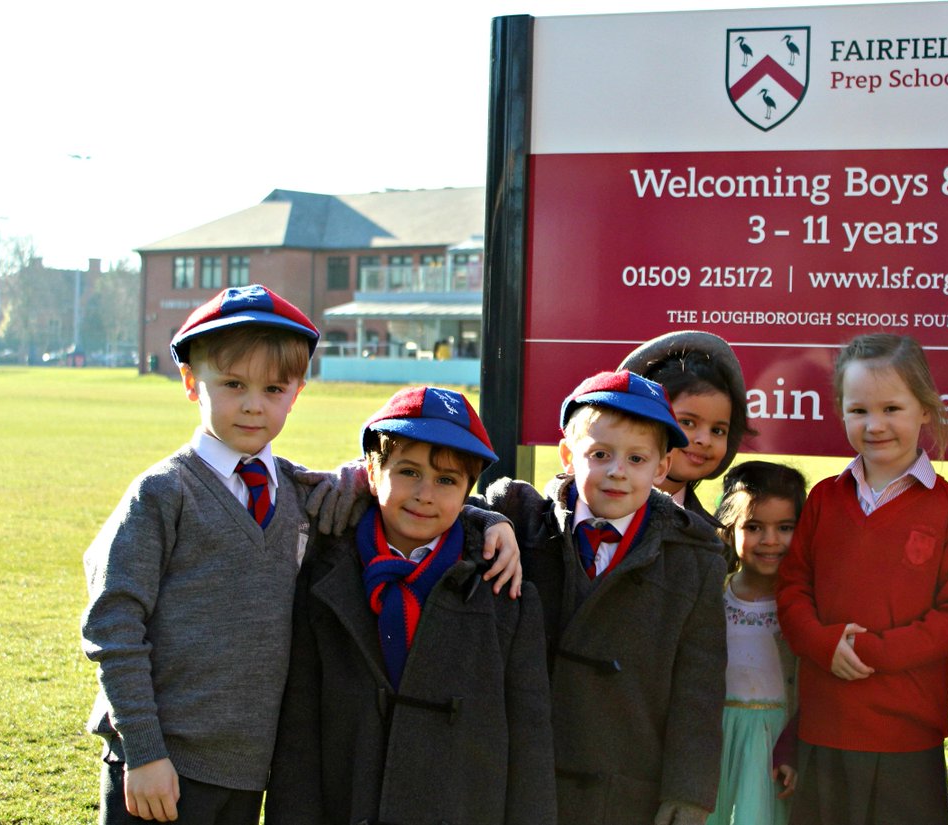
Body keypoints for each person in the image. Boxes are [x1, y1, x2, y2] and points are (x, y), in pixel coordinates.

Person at [81, 285, 520, 825]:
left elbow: (411, 495)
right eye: (233, 384)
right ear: (192, 382)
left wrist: (488, 519)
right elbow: (113, 625)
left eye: (273, 388)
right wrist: (144, 750)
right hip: (158, 766)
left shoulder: (301, 493)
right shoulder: (162, 494)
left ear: (297, 392)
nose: (252, 403)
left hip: (247, 773)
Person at [265, 387, 556, 825]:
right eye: (408, 471)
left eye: (446, 481)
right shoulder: (325, 577)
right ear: (371, 472)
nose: (424, 494)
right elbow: (299, 733)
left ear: (467, 492)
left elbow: (530, 740)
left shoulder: (505, 590)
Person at [482, 369, 728, 825]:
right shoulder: (521, 523)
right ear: (568, 456)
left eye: (637, 459)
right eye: (600, 454)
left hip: (628, 783)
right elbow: (448, 505)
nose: (617, 471)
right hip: (522, 774)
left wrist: (689, 793)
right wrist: (487, 522)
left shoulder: (694, 560)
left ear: (661, 468)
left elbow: (700, 689)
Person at [776, 333, 948, 825]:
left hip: (906, 738)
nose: (875, 425)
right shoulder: (825, 499)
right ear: (841, 411)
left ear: (925, 410)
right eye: (859, 410)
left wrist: (871, 651)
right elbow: (791, 589)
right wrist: (825, 644)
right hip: (825, 730)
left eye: (892, 408)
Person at [706, 461, 807, 825]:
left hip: (775, 744)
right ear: (729, 529)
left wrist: (796, 750)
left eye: (784, 528)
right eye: (753, 527)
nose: (770, 540)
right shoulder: (712, 597)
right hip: (717, 740)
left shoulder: (805, 606)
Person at [619, 331, 753, 533]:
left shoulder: (709, 536)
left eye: (718, 430)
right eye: (688, 422)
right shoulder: (592, 506)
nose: (704, 440)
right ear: (644, 417)